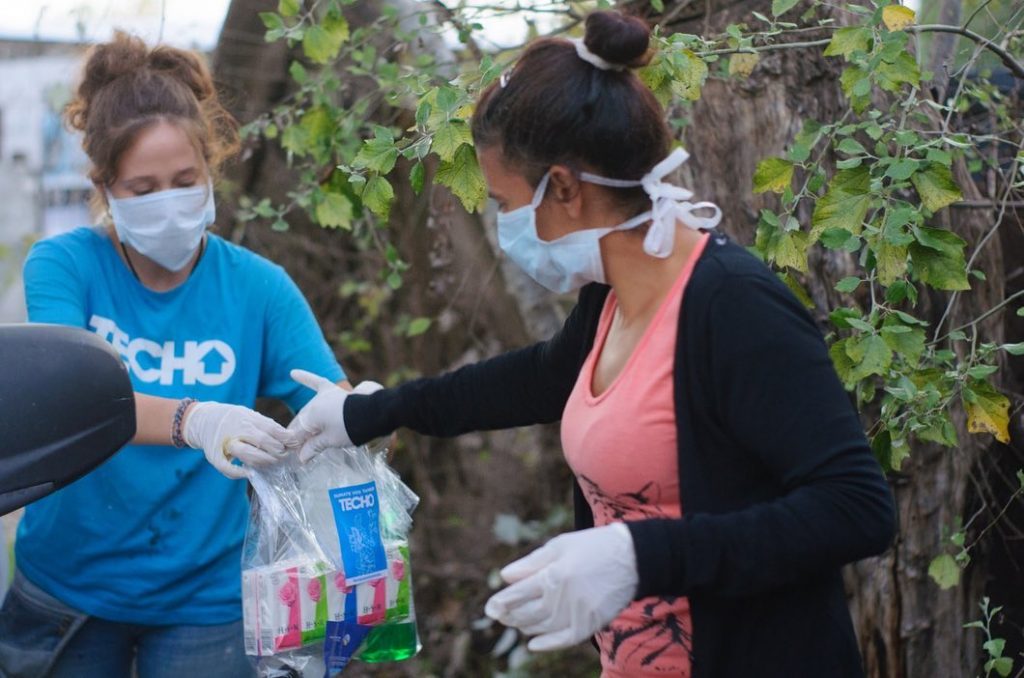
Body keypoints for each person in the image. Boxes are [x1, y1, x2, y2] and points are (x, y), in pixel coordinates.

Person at [286, 11, 896, 678]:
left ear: (566, 187)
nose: (504, 226)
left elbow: (856, 508)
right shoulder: (610, 295)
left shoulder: (732, 305)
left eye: (504, 202)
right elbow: (538, 378)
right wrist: (370, 412)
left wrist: (638, 555)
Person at [0, 33, 347, 678]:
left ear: (212, 169)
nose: (168, 200)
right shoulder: (67, 265)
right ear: (103, 186)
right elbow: (69, 406)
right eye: (142, 187)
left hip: (206, 598)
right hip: (67, 589)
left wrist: (351, 407)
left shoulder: (258, 287)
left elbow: (328, 397)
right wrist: (199, 420)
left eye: (186, 180)